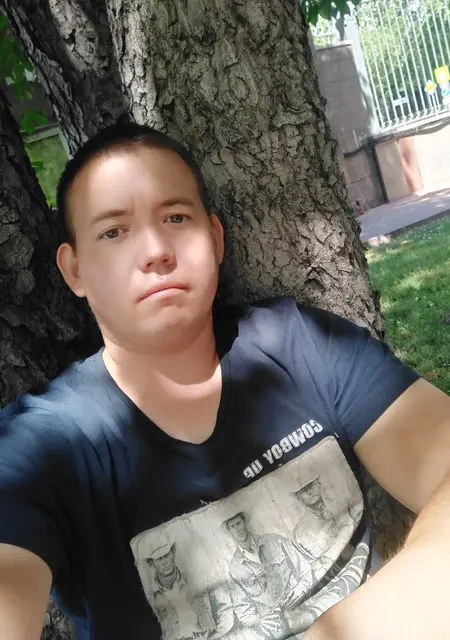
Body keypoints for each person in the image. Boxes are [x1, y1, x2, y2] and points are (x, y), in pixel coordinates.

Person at [0, 122, 450, 640]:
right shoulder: (42, 449)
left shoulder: (303, 345)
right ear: (74, 270)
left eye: (175, 217)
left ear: (215, 239)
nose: (155, 250)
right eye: (113, 232)